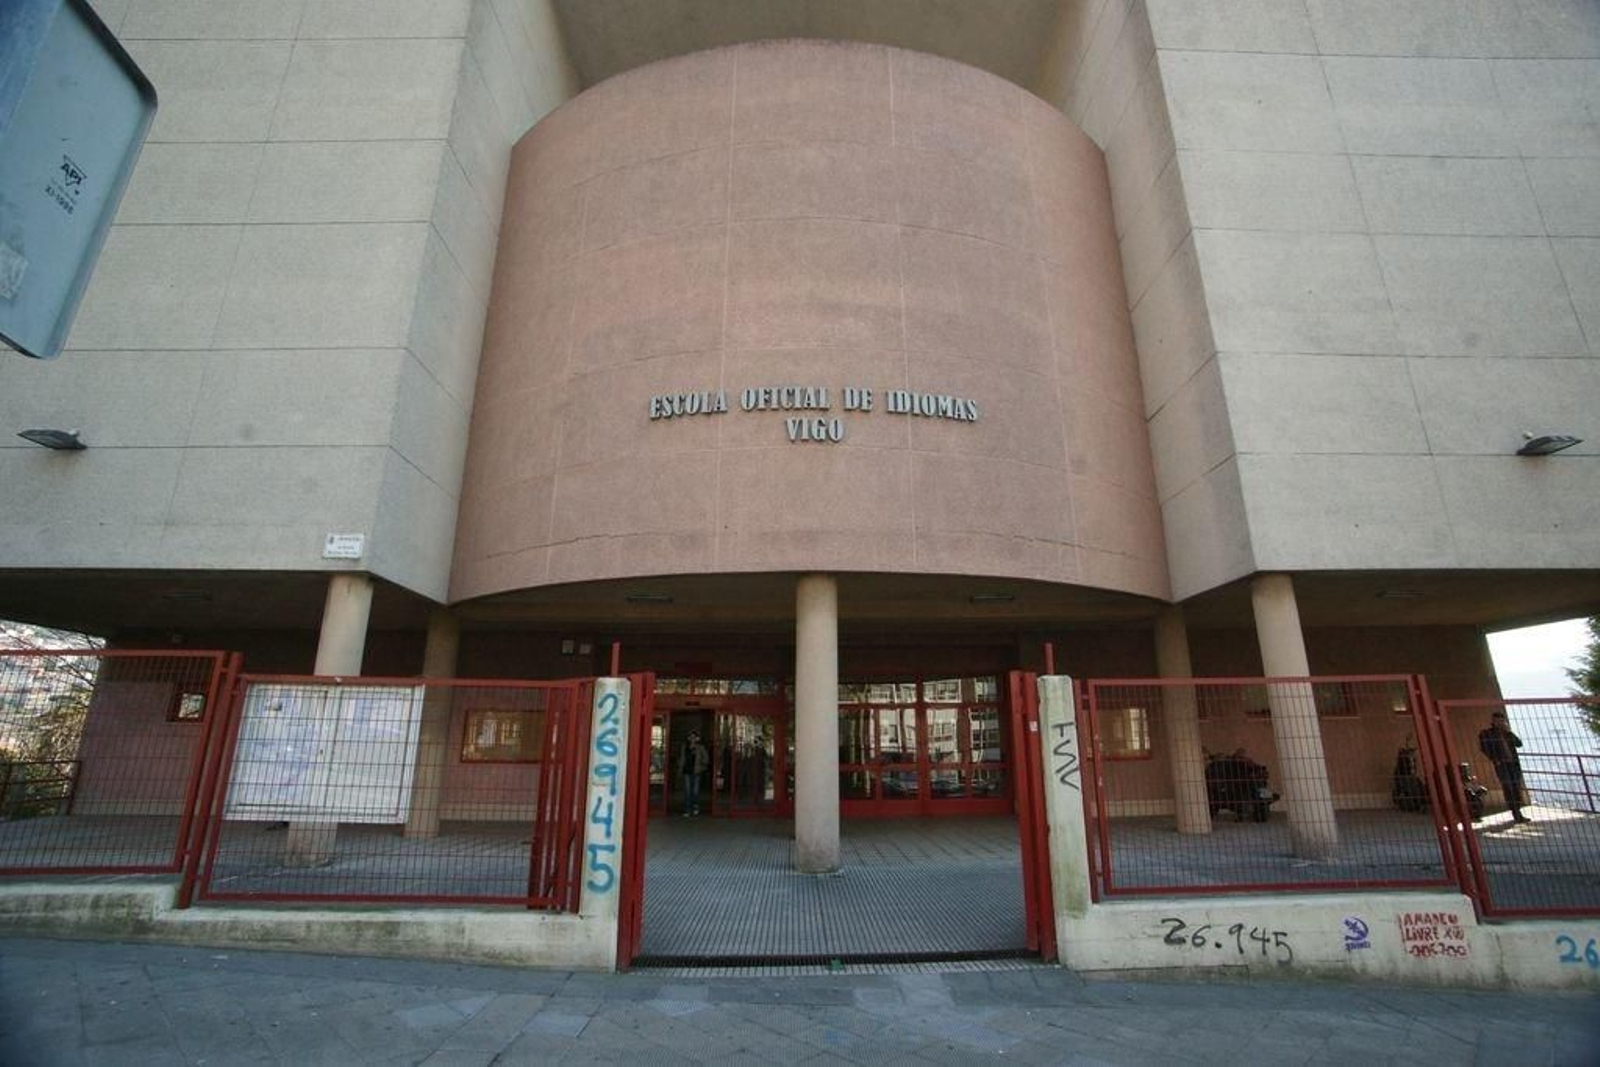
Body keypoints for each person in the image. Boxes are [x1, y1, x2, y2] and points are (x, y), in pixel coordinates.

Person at [1478, 711, 1529, 823]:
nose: (1500, 723)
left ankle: (1518, 810)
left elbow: (1519, 744)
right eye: (1497, 721)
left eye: (1501, 721)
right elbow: (1484, 748)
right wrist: (1495, 759)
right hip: (1502, 764)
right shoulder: (1487, 733)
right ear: (1493, 721)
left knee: (1516, 787)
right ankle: (1515, 812)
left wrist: (1509, 732)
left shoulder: (1507, 733)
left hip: (1513, 764)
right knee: (1508, 787)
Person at [679, 730, 709, 816]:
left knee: (695, 791)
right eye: (691, 737)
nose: (692, 739)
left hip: (696, 772)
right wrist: (680, 769)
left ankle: (695, 806)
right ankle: (687, 810)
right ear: (688, 738)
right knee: (687, 791)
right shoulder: (684, 747)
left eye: (694, 737)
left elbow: (706, 759)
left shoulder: (700, 748)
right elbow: (682, 759)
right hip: (687, 771)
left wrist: (701, 766)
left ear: (697, 739)